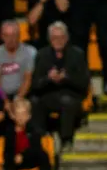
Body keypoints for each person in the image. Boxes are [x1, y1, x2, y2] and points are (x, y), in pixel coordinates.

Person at [30, 21, 89, 152]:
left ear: (67, 38)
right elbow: (35, 84)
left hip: (71, 95)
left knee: (67, 102)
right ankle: (41, 138)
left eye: (61, 37)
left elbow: (84, 83)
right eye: (54, 38)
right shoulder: (42, 55)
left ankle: (66, 139)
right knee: (35, 102)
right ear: (49, 39)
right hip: (48, 94)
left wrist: (67, 78)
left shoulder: (77, 55)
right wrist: (48, 79)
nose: (58, 41)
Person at [0, 98, 51, 170]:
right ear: (13, 116)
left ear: (29, 116)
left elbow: (36, 149)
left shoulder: (35, 131)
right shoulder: (8, 133)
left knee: (43, 155)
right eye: (18, 114)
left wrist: (23, 156)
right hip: (14, 169)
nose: (21, 118)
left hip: (33, 166)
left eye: (23, 114)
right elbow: (6, 153)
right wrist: (14, 159)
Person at [0, 20, 37, 100]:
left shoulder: (30, 52)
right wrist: (4, 101)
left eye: (14, 35)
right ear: (1, 36)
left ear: (19, 35)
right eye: (7, 35)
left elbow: (28, 79)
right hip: (2, 96)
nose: (10, 39)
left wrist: (18, 99)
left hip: (24, 94)